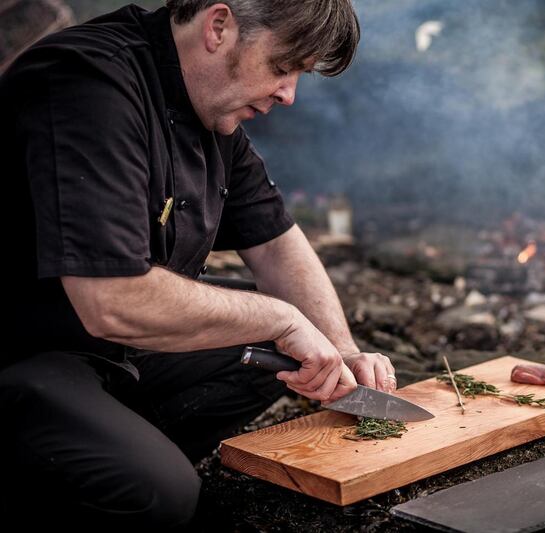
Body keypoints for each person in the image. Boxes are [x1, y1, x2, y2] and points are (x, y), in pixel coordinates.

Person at [0, 0, 394, 529]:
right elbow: (111, 300)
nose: (289, 94)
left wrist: (340, 353)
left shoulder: (209, 108)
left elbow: (275, 241)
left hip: (106, 354)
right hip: (25, 353)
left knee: (275, 357)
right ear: (218, 26)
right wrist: (282, 318)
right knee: (159, 492)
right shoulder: (87, 84)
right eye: (282, 67)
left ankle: (92, 455)